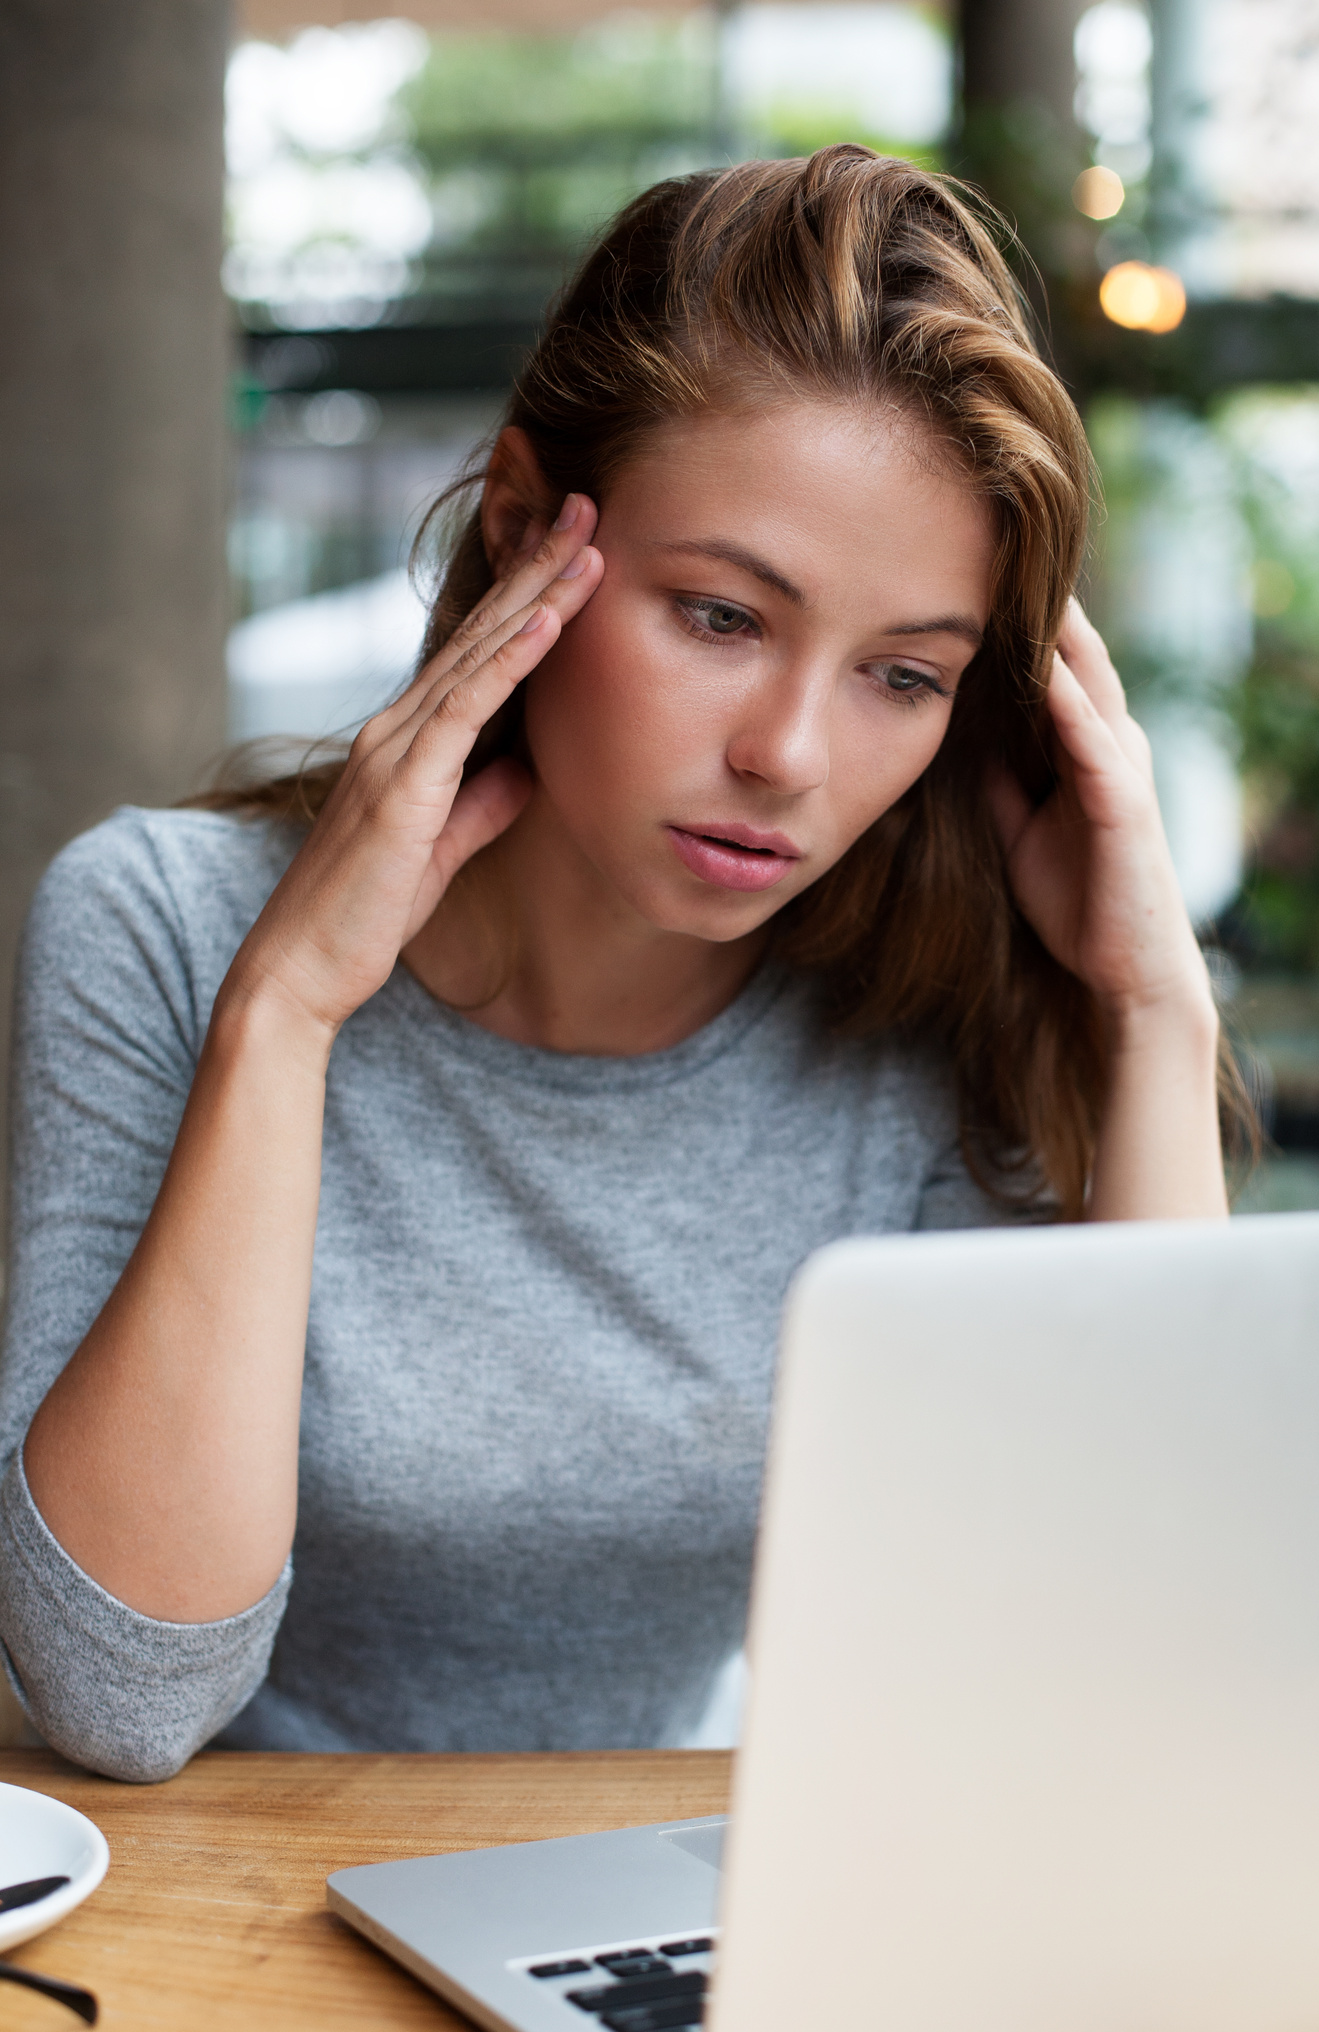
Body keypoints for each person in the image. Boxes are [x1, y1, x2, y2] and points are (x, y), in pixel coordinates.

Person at [0, 148, 1238, 1784]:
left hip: (654, 1914)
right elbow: (120, 1699)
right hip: (216, 1933)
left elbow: (1145, 1655)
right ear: (523, 529)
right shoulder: (161, 926)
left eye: (902, 675)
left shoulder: (915, 1010)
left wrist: (1150, 1011)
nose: (792, 756)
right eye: (722, 616)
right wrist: (288, 1013)